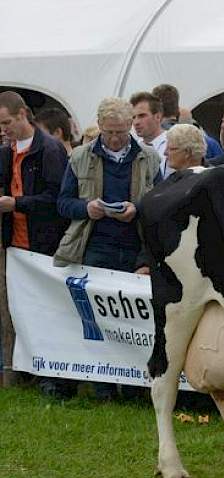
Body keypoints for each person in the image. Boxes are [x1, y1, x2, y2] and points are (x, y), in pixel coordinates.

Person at [53, 96, 162, 400]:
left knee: (133, 320)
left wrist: (136, 208)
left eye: (121, 132)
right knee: (98, 321)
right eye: (109, 132)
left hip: (134, 248)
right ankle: (103, 387)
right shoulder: (79, 157)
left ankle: (133, 386)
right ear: (99, 126)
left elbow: (161, 204)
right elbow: (62, 203)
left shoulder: (150, 158)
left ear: (131, 127)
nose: (114, 139)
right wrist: (86, 208)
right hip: (94, 247)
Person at [0, 91, 70, 390]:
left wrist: (16, 204)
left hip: (43, 245)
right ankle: (15, 373)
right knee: (13, 311)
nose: (4, 130)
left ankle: (51, 375)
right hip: (12, 244)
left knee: (47, 310)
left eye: (6, 123)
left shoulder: (51, 150)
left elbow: (56, 200)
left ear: (22, 115)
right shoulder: (5, 152)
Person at [129, 91, 170, 177]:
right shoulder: (133, 146)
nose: (136, 122)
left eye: (142, 116)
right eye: (133, 117)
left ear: (158, 117)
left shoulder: (172, 144)